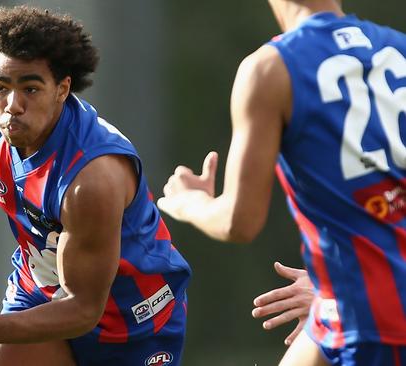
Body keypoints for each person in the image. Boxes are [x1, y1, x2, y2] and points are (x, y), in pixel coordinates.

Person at [0, 5, 192, 366]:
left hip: (132, 322)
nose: (12, 105)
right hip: (40, 292)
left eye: (30, 87)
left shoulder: (91, 178)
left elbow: (83, 309)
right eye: (2, 86)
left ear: (62, 89)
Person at [157, 0, 406, 365]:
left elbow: (239, 222)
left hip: (372, 322)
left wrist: (187, 203)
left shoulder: (270, 69)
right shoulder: (398, 47)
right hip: (349, 308)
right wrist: (332, 284)